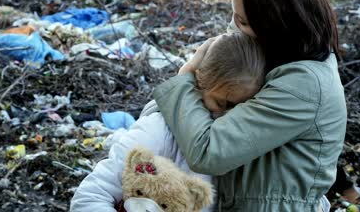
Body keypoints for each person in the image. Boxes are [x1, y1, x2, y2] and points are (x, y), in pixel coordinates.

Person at [152, 0, 346, 211]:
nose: (233, 29)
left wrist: (186, 76)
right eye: (233, 16)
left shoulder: (303, 85)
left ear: (277, 24)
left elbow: (209, 151)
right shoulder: (281, 61)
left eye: (242, 22)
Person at [70, 33, 266, 212]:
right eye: (222, 103)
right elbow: (90, 196)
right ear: (199, 82)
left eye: (242, 109)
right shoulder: (160, 129)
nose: (229, 115)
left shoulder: (240, 145)